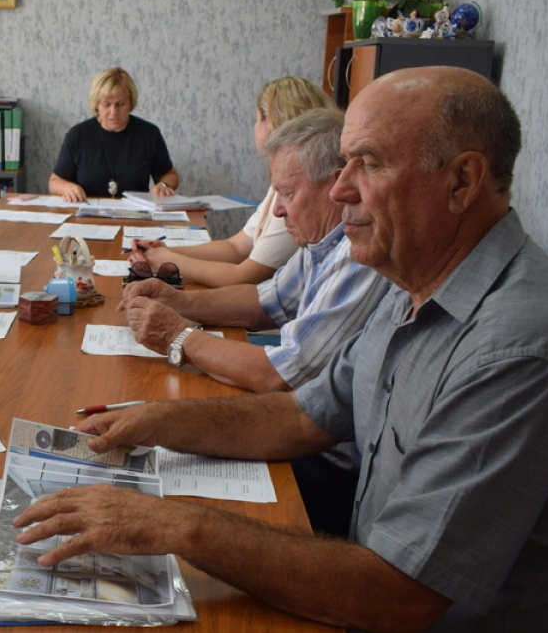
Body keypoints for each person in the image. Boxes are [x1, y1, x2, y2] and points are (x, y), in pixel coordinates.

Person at [13, 67, 548, 633]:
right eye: (344, 162)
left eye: (371, 163)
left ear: (462, 181)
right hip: (377, 608)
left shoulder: (522, 345)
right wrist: (152, 421)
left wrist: (175, 527)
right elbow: (304, 417)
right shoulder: (411, 282)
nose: (338, 189)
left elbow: (402, 597)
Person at [123, 108, 391, 536]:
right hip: (302, 434)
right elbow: (263, 302)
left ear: (336, 183)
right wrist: (179, 301)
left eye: (287, 193)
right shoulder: (325, 240)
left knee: (162, 482)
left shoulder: (359, 255)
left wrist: (178, 335)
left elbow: (280, 377)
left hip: (328, 466)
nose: (279, 211)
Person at [130, 77, 334, 287]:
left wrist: (169, 261)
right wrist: (165, 250)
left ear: (271, 123)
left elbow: (244, 276)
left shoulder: (298, 196)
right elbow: (235, 247)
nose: (255, 126)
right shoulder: (281, 186)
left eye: (257, 119)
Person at [48, 67, 179, 202]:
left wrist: (164, 185)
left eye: (120, 104)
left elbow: (170, 175)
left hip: (136, 214)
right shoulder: (77, 135)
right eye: (106, 104)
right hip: (88, 214)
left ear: (131, 103)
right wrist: (68, 188)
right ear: (97, 104)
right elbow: (55, 182)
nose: (113, 111)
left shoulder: (149, 134)